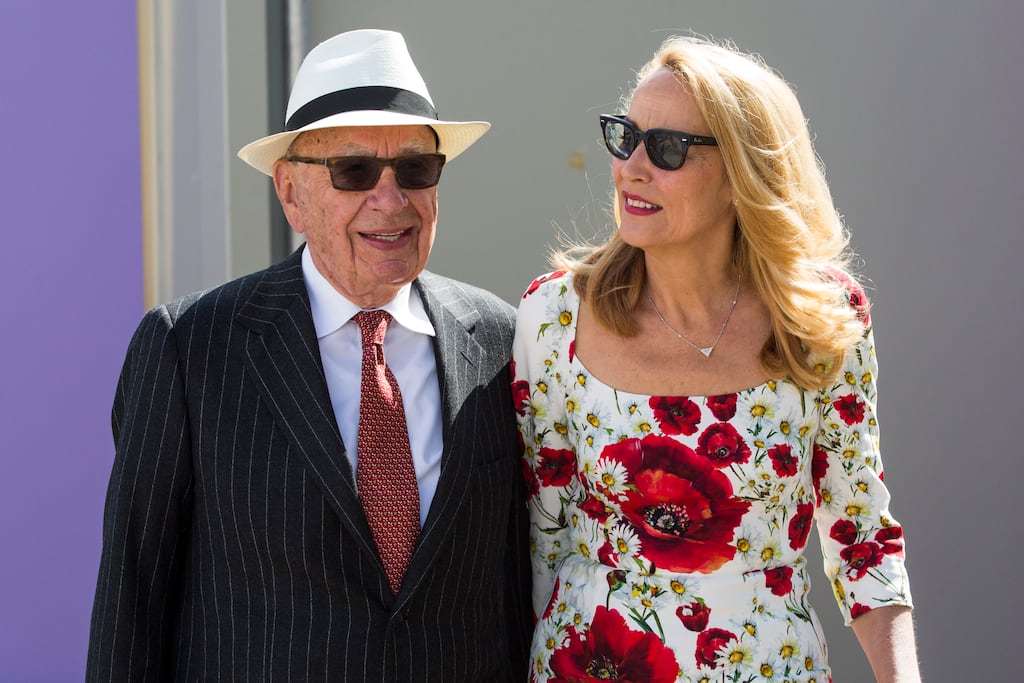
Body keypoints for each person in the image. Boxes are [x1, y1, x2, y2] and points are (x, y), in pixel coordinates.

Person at [87, 29, 531, 682]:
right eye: (355, 171)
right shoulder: (191, 349)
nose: (392, 198)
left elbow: (522, 588)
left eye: (416, 168)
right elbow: (133, 600)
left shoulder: (499, 340)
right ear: (291, 193)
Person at [513, 35, 920, 682]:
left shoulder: (818, 318)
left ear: (741, 177)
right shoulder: (556, 317)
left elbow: (860, 528)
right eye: (626, 137)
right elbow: (542, 537)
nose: (632, 168)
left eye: (669, 148)